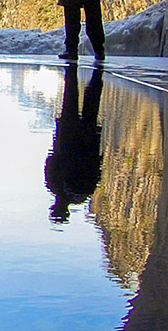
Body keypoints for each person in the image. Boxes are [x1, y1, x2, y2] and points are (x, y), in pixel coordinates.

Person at [43, 62, 104, 223]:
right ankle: (77, 79)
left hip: (88, 144)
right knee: (70, 100)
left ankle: (94, 83)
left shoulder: (80, 194)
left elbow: (96, 173)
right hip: (68, 141)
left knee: (91, 108)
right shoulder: (54, 186)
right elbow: (50, 161)